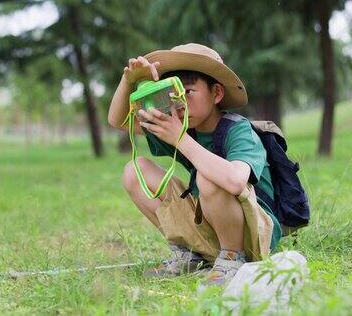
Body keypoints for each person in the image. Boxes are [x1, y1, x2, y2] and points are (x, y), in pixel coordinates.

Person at [107, 43, 282, 290]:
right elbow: (117, 120)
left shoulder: (238, 131)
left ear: (217, 93)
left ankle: (233, 259)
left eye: (187, 91)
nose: (178, 101)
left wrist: (180, 138)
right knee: (134, 171)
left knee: (209, 176)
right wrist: (129, 80)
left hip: (254, 236)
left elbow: (234, 180)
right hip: (211, 225)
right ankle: (191, 254)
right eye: (172, 91)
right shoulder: (183, 127)